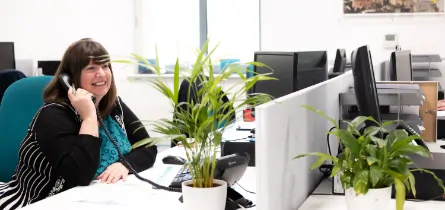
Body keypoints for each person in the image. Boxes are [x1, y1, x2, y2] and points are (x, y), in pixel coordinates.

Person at [0, 38, 157, 210]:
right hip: (38, 202)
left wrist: (124, 164)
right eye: (91, 68)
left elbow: (148, 146)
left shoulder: (114, 105)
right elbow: (80, 175)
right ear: (70, 77)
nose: (102, 74)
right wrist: (89, 118)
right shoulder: (53, 114)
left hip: (98, 198)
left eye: (105, 66)